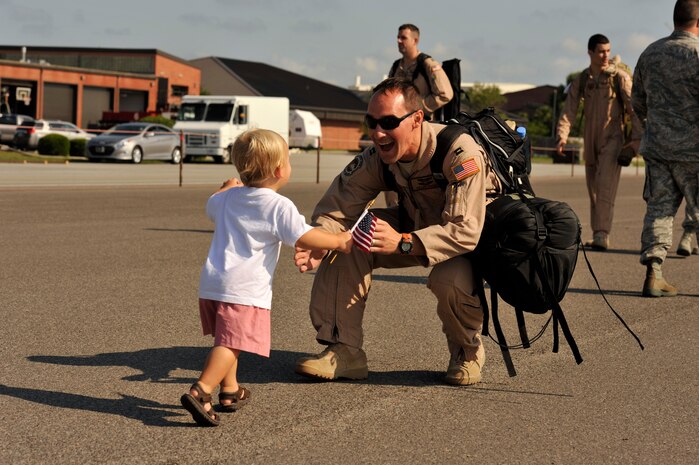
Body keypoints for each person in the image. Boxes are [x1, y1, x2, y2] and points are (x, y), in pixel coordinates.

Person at [293, 78, 502, 386]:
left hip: (463, 243)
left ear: (417, 119)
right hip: (413, 222)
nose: (378, 133)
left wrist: (403, 243)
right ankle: (345, 350)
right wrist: (321, 239)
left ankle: (466, 351)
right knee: (349, 239)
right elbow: (340, 202)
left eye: (389, 122)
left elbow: (464, 231)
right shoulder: (378, 154)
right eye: (371, 122)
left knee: (447, 280)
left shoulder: (460, 153)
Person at [181, 129, 353, 426]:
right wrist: (338, 242)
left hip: (212, 284)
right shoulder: (277, 205)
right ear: (278, 169)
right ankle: (202, 390)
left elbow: (213, 201)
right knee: (231, 342)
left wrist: (225, 188)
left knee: (228, 338)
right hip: (243, 288)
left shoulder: (226, 200)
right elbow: (303, 234)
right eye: (288, 159)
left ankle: (230, 390)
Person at [632, 0, 699, 297]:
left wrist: (658, 121)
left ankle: (654, 272)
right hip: (694, 150)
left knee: (658, 210)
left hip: (658, 147)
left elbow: (637, 100)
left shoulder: (650, 53)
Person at [556, 34, 642, 251]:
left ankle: (602, 233)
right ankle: (597, 233)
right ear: (590, 53)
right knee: (593, 187)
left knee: (605, 187)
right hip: (590, 138)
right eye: (601, 51)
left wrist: (637, 140)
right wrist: (562, 135)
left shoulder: (619, 78)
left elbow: (634, 109)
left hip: (613, 138)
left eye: (608, 51)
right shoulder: (582, 80)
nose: (606, 55)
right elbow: (569, 110)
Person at [388, 24, 454, 120]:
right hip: (400, 123)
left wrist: (417, 108)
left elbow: (445, 95)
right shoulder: (396, 66)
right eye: (398, 37)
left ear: (415, 40)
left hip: (423, 124)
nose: (399, 41)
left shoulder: (428, 64)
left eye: (403, 38)